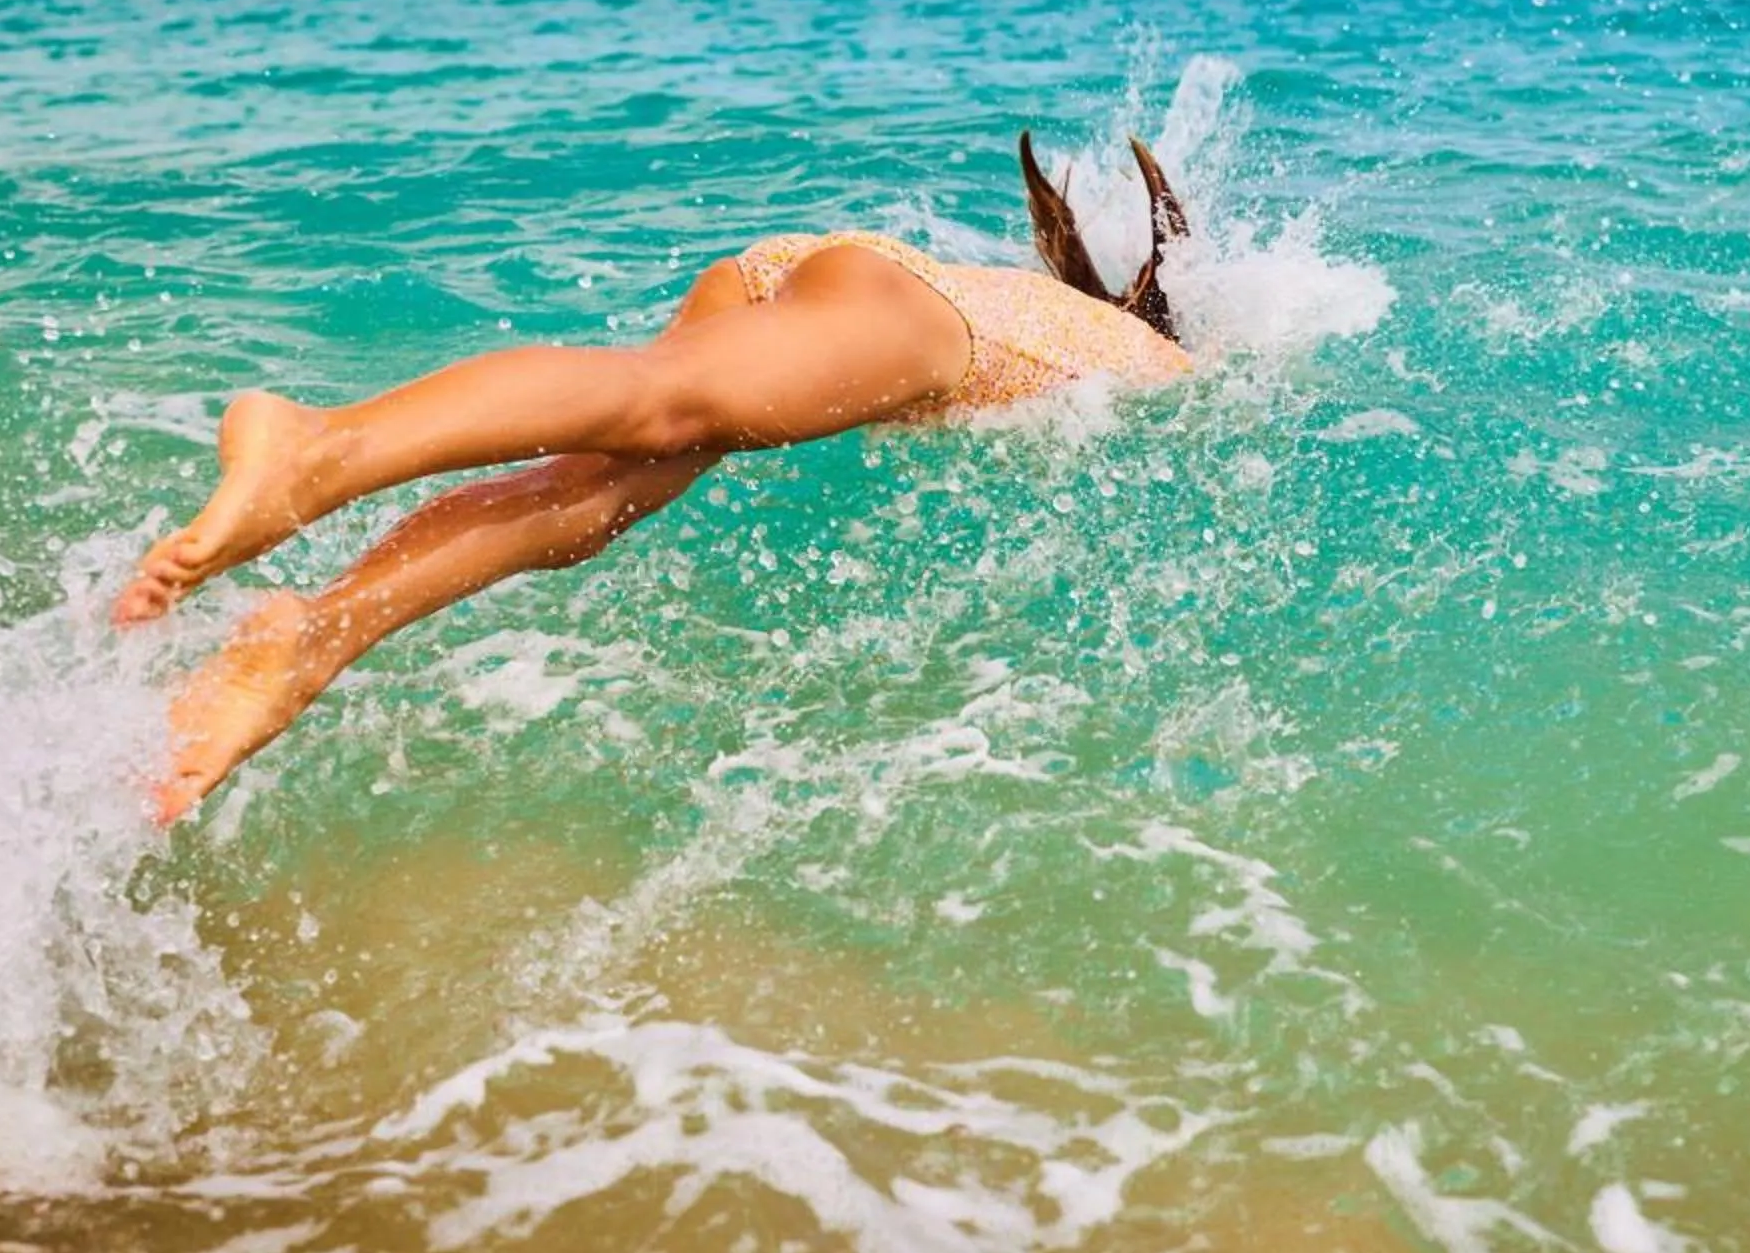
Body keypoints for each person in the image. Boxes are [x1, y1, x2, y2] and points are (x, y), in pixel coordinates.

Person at [117, 133, 1195, 822]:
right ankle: (317, 450)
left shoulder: (1056, 312)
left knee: (593, 495)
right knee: (657, 397)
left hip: (837, 286)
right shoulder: (1166, 363)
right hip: (912, 324)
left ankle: (310, 637)